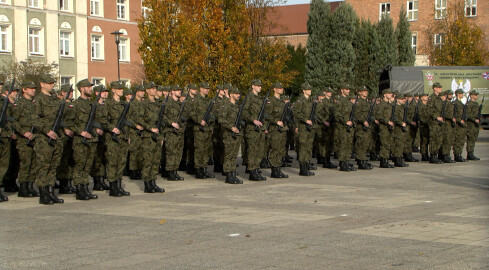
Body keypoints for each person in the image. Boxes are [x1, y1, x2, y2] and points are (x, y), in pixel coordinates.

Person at [34, 75, 74, 204]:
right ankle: (43, 193)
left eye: (52, 83)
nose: (52, 85)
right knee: (44, 166)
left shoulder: (55, 100)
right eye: (49, 83)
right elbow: (34, 119)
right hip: (44, 138)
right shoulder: (38, 100)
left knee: (53, 166)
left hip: (57, 137)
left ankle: (51, 192)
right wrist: (47, 131)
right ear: (42, 84)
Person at [65, 79, 101, 200]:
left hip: (91, 139)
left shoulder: (91, 104)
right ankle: (79, 189)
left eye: (90, 87)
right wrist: (81, 132)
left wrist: (96, 128)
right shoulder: (75, 104)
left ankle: (85, 187)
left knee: (88, 165)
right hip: (80, 140)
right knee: (80, 165)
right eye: (88, 87)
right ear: (81, 89)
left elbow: (96, 120)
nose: (90, 89)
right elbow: (68, 122)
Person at [11, 81, 40, 199]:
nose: (33, 90)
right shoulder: (19, 104)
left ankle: (30, 186)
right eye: (30, 88)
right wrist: (23, 132)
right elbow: (14, 121)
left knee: (34, 163)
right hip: (24, 139)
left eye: (34, 88)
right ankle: (23, 187)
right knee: (25, 163)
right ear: (24, 89)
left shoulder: (35, 103)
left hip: (34, 136)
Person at [136, 81, 165, 192]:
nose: (154, 90)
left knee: (156, 160)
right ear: (147, 90)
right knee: (147, 160)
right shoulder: (143, 104)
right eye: (152, 88)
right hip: (148, 136)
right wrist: (150, 128)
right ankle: (147, 184)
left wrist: (161, 136)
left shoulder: (158, 104)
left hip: (157, 136)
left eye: (155, 88)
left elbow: (161, 121)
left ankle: (153, 181)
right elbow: (139, 119)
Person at [104, 81, 132, 197]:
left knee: (121, 162)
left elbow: (127, 122)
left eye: (122, 89)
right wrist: (112, 128)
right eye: (119, 89)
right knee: (112, 162)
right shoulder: (107, 104)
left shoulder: (123, 105)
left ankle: (119, 185)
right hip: (112, 138)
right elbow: (103, 120)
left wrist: (128, 135)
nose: (121, 90)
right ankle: (113, 187)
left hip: (123, 137)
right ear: (113, 90)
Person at [219, 86, 244, 184]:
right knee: (229, 155)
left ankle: (233, 173)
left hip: (237, 134)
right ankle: (229, 175)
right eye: (236, 94)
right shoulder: (226, 105)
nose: (238, 95)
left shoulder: (237, 107)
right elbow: (221, 119)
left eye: (239, 94)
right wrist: (231, 127)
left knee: (234, 155)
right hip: (229, 134)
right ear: (231, 94)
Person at [191, 82, 216, 179]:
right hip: (199, 129)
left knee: (206, 150)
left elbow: (211, 115)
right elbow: (191, 113)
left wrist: (211, 127)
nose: (207, 90)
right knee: (199, 149)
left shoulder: (207, 101)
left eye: (208, 88)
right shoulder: (195, 100)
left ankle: (204, 169)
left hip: (207, 129)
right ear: (200, 89)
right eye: (205, 88)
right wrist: (198, 121)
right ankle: (198, 170)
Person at [162, 85, 186, 182]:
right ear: (172, 92)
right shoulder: (168, 103)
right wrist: (171, 123)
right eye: (177, 90)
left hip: (179, 132)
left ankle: (175, 170)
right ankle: (170, 172)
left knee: (178, 152)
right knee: (171, 152)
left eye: (180, 90)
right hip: (171, 132)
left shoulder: (180, 104)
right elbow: (162, 116)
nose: (179, 92)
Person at [293, 82, 317, 175]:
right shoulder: (300, 101)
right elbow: (296, 113)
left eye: (310, 89)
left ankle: (307, 165)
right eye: (308, 89)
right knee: (303, 148)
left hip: (310, 128)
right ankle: (302, 168)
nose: (310, 91)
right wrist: (305, 120)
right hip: (303, 127)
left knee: (308, 147)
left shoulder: (310, 101)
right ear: (304, 91)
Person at [266, 82, 288, 178]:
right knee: (275, 149)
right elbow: (267, 115)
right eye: (279, 88)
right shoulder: (271, 101)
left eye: (282, 87)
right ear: (274, 89)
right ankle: (274, 170)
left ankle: (278, 168)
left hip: (282, 129)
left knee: (281, 149)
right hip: (274, 129)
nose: (281, 89)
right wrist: (276, 121)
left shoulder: (282, 101)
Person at [91, 85, 110, 190]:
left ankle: (102, 180)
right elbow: (90, 120)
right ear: (97, 93)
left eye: (106, 92)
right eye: (103, 92)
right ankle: (96, 181)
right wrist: (97, 128)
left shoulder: (106, 105)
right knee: (97, 159)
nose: (105, 93)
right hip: (96, 135)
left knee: (104, 159)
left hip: (106, 134)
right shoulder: (93, 105)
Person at [333, 84, 357, 172]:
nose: (348, 91)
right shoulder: (340, 101)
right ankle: (342, 163)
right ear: (342, 90)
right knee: (343, 145)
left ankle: (346, 161)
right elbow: (336, 114)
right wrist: (345, 121)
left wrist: (352, 122)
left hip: (349, 127)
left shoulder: (348, 101)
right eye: (346, 89)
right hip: (342, 127)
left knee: (348, 144)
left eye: (349, 89)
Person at [354, 86, 373, 170]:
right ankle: (360, 161)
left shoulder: (367, 102)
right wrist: (363, 121)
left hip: (367, 126)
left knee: (365, 144)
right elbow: (356, 113)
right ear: (360, 92)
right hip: (361, 126)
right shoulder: (358, 102)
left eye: (366, 91)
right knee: (361, 144)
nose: (366, 92)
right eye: (363, 91)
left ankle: (363, 159)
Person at [375, 89, 395, 168]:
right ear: (385, 95)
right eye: (389, 93)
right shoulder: (382, 104)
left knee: (388, 144)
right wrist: (387, 121)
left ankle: (386, 160)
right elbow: (379, 116)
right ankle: (383, 161)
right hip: (384, 127)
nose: (390, 95)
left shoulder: (389, 104)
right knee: (384, 144)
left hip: (388, 127)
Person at [427, 82, 444, 164]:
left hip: (439, 122)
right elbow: (429, 110)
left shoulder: (439, 98)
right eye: (439, 87)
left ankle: (436, 155)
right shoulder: (432, 98)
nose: (441, 89)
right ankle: (433, 156)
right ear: (435, 88)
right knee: (434, 139)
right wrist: (436, 117)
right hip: (434, 122)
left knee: (439, 139)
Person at [452, 89, 468, 162]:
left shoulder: (461, 103)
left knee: (461, 140)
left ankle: (459, 154)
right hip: (457, 125)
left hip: (462, 125)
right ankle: (457, 155)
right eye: (461, 93)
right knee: (457, 140)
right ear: (458, 94)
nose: (462, 94)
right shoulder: (455, 103)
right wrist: (459, 120)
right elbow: (454, 114)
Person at [465, 90, 481, 160]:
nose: (476, 96)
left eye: (477, 95)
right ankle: (469, 154)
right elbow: (467, 114)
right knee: (470, 139)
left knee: (473, 139)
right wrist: (474, 119)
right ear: (471, 96)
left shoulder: (476, 104)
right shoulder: (469, 104)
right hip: (471, 125)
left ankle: (472, 153)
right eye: (475, 95)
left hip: (475, 125)